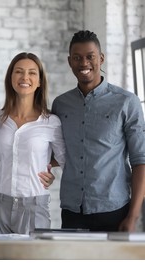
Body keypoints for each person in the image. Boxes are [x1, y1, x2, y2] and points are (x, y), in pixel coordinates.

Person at [51, 30, 145, 232]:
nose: (84, 63)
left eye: (90, 56)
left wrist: (133, 215)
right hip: (72, 212)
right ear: (69, 62)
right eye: (77, 58)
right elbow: (56, 151)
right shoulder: (61, 105)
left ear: (100, 58)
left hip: (115, 211)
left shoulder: (127, 102)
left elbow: (140, 161)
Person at [0, 52, 65, 235]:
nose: (25, 77)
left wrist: (48, 167)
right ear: (10, 78)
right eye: (19, 72)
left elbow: (67, 162)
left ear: (39, 81)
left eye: (32, 73)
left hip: (34, 206)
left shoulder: (51, 122)